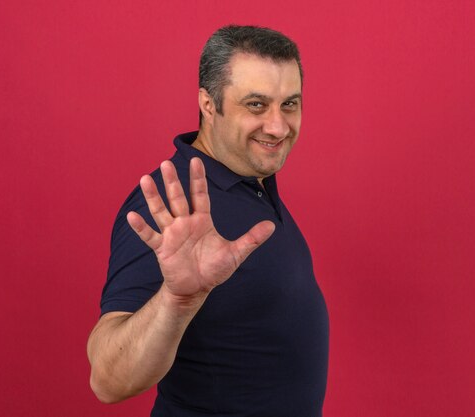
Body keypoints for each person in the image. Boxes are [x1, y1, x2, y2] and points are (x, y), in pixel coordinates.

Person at [87, 25, 329, 417]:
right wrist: (178, 300)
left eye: (289, 104)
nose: (278, 126)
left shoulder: (253, 182)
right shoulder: (174, 203)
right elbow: (107, 379)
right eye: (256, 104)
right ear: (208, 103)